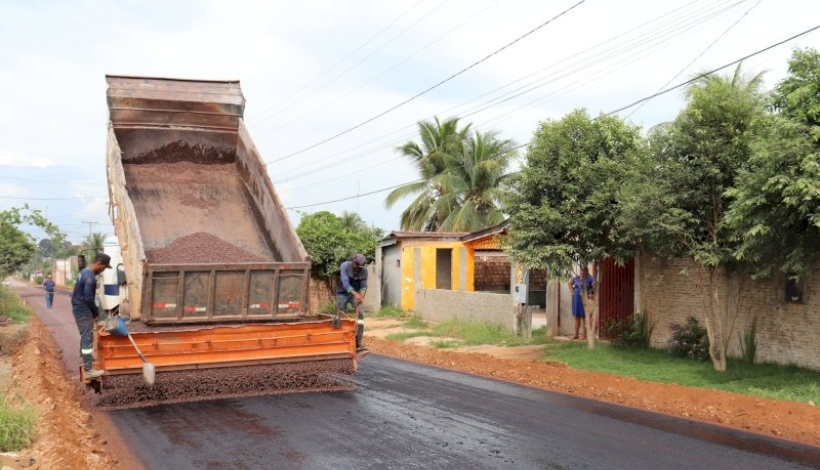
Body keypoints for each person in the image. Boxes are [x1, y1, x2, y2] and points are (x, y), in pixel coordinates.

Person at [71, 252, 111, 379]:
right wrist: (96, 312)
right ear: (99, 264)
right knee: (87, 337)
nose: (103, 270)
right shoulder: (89, 277)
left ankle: (84, 358)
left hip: (79, 308)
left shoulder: (84, 272)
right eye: (103, 267)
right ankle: (88, 370)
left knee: (84, 335)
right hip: (83, 310)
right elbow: (89, 299)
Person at [337, 253, 368, 352]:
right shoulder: (345, 266)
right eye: (355, 264)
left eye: (359, 266)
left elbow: (364, 286)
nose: (356, 267)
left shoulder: (364, 271)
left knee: (361, 315)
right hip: (343, 293)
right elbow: (345, 284)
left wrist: (361, 297)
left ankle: (358, 341)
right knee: (341, 313)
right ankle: (340, 340)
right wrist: (356, 295)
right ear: (353, 261)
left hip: (357, 293)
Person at [568, 266, 595, 340]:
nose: (582, 273)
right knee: (577, 317)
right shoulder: (577, 278)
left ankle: (584, 335)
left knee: (584, 317)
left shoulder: (590, 278)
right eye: (581, 271)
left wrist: (591, 294)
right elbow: (569, 284)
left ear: (587, 272)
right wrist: (573, 292)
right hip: (576, 299)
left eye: (583, 271)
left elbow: (593, 287)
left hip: (585, 299)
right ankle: (576, 334)